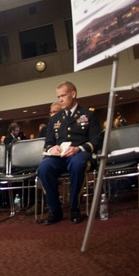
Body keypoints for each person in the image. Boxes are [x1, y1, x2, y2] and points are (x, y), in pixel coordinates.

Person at [37, 82, 103, 225]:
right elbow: (47, 143)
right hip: (59, 157)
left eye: (63, 95)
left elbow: (97, 140)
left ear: (73, 94)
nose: (60, 99)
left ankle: (75, 208)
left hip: (79, 154)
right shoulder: (55, 119)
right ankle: (55, 211)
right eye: (58, 96)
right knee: (43, 167)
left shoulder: (88, 114)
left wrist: (79, 148)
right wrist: (51, 149)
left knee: (78, 164)